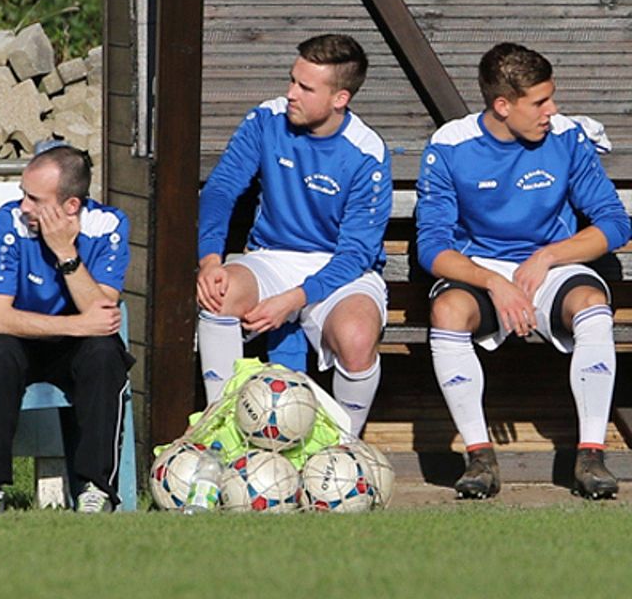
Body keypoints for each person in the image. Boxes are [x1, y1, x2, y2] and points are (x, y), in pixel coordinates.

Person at [416, 42, 631, 500]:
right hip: (481, 271)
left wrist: (548, 257)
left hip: (551, 265)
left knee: (592, 306)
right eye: (539, 102)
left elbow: (615, 223)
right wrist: (494, 282)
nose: (551, 110)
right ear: (502, 105)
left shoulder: (567, 136)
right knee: (448, 311)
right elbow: (432, 248)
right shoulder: (450, 145)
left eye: (551, 98)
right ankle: (479, 458)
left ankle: (591, 457)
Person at [196, 33, 392, 438]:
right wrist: (210, 259)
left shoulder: (367, 151)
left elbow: (355, 255)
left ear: (340, 98)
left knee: (357, 338)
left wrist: (293, 300)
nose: (291, 94)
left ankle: (344, 449)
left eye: (305, 87)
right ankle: (221, 431)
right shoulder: (266, 119)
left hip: (341, 271)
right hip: (271, 256)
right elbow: (221, 189)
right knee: (218, 293)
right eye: (292, 80)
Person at [0, 143, 132, 514]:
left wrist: (65, 253)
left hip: (74, 347)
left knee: (104, 355)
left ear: (71, 206)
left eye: (35, 199)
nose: (24, 206)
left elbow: (101, 315)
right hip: (16, 340)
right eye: (23, 194)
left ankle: (96, 489)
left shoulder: (109, 225)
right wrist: (78, 324)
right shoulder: (10, 220)